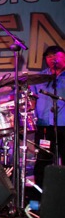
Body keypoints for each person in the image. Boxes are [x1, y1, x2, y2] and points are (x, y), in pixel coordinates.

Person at [30, 45, 65, 196]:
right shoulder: (38, 78)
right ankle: (41, 198)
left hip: (64, 125)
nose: (52, 59)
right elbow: (31, 101)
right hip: (44, 125)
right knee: (43, 162)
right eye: (49, 56)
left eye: (56, 55)